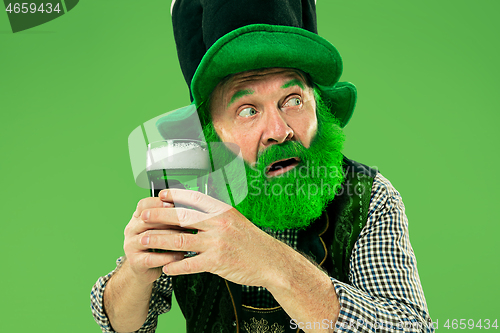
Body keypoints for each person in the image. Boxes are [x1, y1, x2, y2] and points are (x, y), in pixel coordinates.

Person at [91, 1, 434, 332]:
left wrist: (272, 262)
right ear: (212, 134)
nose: (280, 131)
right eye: (248, 110)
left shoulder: (368, 197)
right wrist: (136, 274)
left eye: (293, 100)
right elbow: (125, 324)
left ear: (319, 109)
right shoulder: (189, 195)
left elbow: (410, 329)